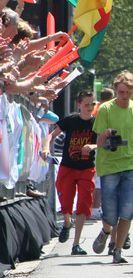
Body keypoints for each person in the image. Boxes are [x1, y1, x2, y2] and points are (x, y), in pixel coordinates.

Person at [91, 71, 133, 264]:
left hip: (132, 164)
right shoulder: (105, 109)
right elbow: (99, 142)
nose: (125, 96)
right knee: (110, 212)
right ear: (116, 90)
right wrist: (106, 133)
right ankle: (106, 230)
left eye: (128, 92)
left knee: (128, 209)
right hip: (109, 166)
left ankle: (118, 250)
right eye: (121, 92)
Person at [43, 90, 97, 255]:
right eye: (86, 104)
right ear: (79, 105)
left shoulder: (97, 123)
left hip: (86, 168)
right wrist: (46, 147)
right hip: (68, 166)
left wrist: (93, 146)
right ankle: (67, 223)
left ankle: (76, 244)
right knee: (66, 201)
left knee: (83, 204)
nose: (90, 107)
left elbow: (102, 140)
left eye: (93, 104)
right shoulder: (71, 120)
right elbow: (52, 134)